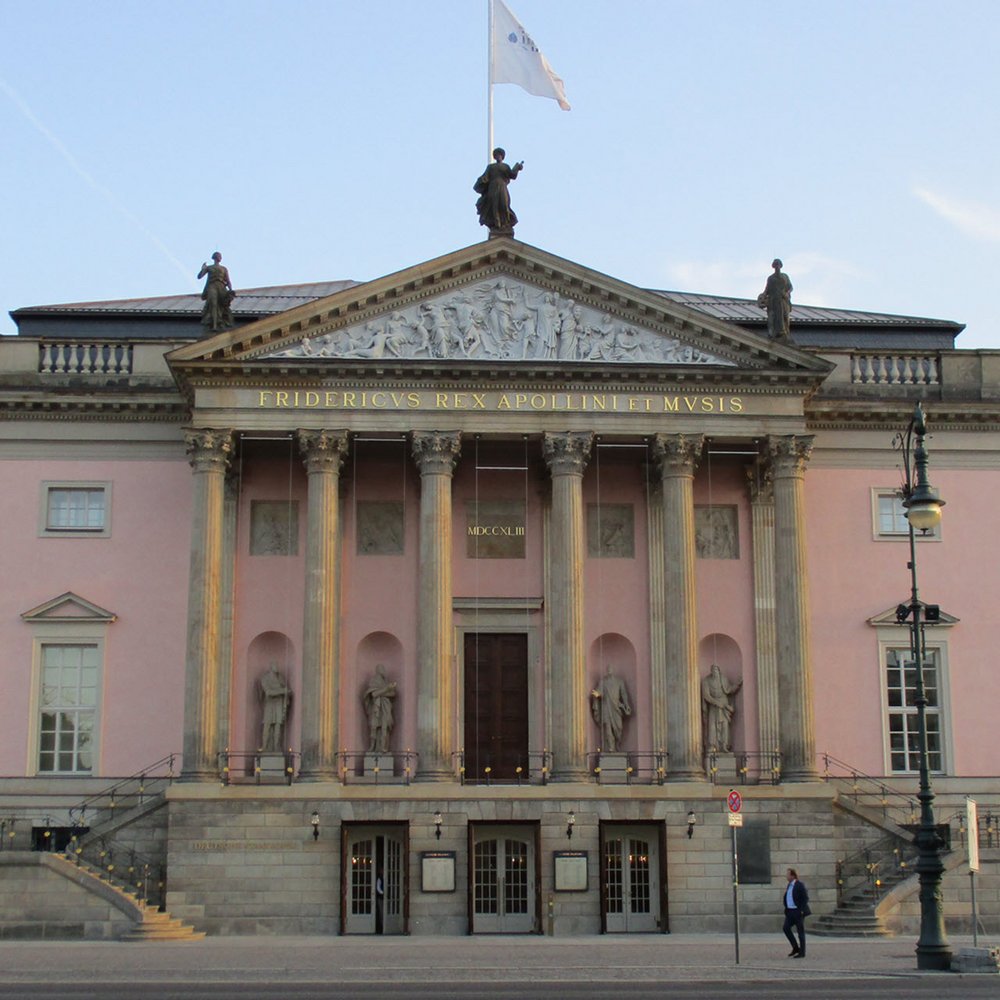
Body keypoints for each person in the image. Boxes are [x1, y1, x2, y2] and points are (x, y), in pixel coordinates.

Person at [474, 148, 524, 233]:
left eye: (499, 155)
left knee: (504, 204)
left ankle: (505, 224)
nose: (498, 157)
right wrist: (482, 182)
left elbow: (512, 175)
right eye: (496, 155)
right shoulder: (491, 167)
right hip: (492, 187)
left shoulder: (505, 166)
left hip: (502, 187)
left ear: (502, 156)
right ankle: (497, 224)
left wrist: (517, 168)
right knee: (494, 205)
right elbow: (485, 177)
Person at [590, 666, 632, 752]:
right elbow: (599, 691)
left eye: (610, 668)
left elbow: (624, 694)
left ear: (613, 670)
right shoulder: (603, 682)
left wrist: (626, 705)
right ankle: (611, 748)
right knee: (607, 728)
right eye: (608, 668)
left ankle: (618, 743)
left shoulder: (619, 681)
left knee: (619, 728)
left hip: (616, 707)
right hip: (606, 707)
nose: (609, 670)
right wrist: (597, 694)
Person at [701, 664, 742, 752]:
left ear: (719, 671)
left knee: (724, 726)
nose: (715, 671)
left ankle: (724, 745)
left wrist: (737, 684)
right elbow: (706, 695)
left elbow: (729, 690)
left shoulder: (724, 679)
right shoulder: (706, 681)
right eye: (713, 669)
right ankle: (712, 745)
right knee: (712, 726)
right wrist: (716, 703)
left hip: (724, 705)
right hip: (714, 705)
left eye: (716, 669)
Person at [363, 664, 397, 753]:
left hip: (386, 707)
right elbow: (373, 694)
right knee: (374, 727)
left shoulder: (385, 682)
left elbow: (393, 694)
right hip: (376, 708)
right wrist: (387, 689)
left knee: (385, 728)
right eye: (382, 668)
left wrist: (382, 692)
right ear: (378, 670)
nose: (384, 670)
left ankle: (383, 747)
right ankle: (372, 747)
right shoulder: (373, 681)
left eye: (384, 668)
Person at [197, 251, 235, 332]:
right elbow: (199, 277)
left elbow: (228, 281)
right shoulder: (209, 267)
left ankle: (220, 321)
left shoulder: (224, 269)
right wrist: (203, 269)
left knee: (222, 304)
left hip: (221, 287)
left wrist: (231, 290)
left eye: (220, 256)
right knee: (213, 304)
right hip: (212, 286)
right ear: (214, 257)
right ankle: (214, 325)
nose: (219, 257)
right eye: (218, 256)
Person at [756, 258, 792, 341]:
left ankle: (785, 332)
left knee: (785, 317)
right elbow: (767, 290)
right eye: (775, 265)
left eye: (778, 265)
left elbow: (790, 287)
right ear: (773, 266)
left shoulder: (785, 276)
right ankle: (776, 333)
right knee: (775, 318)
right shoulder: (771, 278)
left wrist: (787, 293)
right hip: (774, 301)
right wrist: (762, 297)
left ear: (780, 266)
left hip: (783, 300)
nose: (777, 266)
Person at [259, 662, 291, 752]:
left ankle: (277, 748)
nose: (277, 667)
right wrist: (282, 691)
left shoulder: (281, 678)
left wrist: (286, 693)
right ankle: (264, 747)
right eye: (275, 665)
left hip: (279, 704)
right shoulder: (265, 678)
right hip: (269, 704)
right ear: (271, 666)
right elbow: (268, 692)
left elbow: (287, 690)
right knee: (267, 725)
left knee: (278, 726)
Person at [782, 868, 811, 957]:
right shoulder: (789, 885)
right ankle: (795, 947)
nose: (786, 876)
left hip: (798, 911)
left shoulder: (799, 885)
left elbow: (805, 898)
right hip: (790, 911)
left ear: (792, 876)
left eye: (788, 874)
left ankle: (802, 952)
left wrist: (801, 910)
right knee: (786, 928)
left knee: (800, 932)